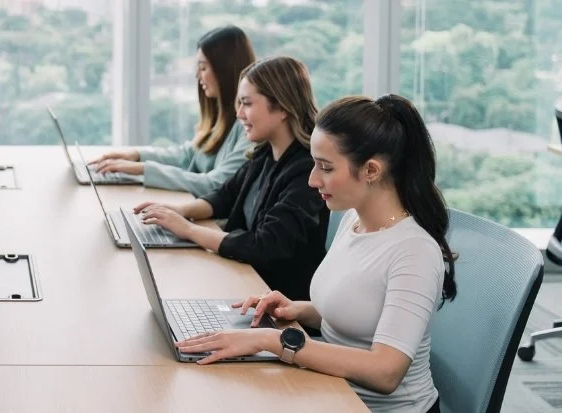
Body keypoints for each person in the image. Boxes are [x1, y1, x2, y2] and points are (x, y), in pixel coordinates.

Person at [174, 94, 456, 413]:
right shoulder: (354, 220)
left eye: (325, 167)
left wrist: (274, 342)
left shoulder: (413, 252)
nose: (312, 179)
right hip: (331, 392)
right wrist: (297, 310)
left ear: (372, 170)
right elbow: (360, 312)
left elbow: (386, 371)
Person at [134, 56, 327, 301]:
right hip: (244, 280)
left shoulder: (306, 171)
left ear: (282, 108)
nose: (239, 114)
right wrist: (176, 212)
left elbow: (264, 246)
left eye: (246, 104)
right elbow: (225, 196)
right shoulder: (265, 153)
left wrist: (188, 230)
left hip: (275, 302)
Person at [89, 25, 255, 196]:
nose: (198, 76)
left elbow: (217, 183)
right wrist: (135, 155)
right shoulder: (220, 115)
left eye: (204, 68)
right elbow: (188, 155)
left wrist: (142, 169)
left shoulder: (249, 127)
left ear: (225, 70)